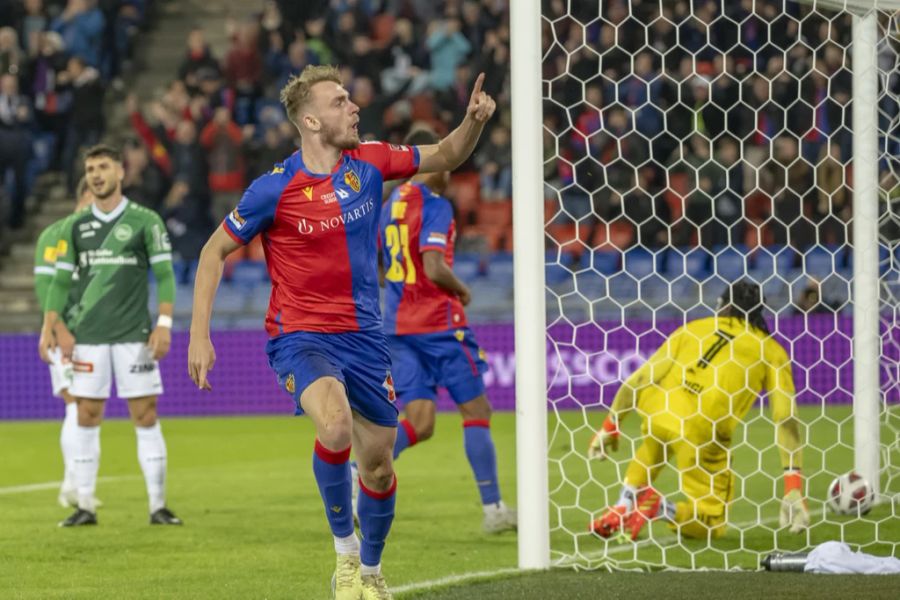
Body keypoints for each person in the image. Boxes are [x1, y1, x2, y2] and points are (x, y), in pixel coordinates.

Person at [187, 65, 495, 600]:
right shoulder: (273, 189)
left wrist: (472, 122)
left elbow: (445, 154)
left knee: (377, 466)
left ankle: (371, 570)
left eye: (351, 99)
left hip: (367, 340)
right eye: (340, 101)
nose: (354, 107)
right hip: (301, 335)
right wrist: (199, 334)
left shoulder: (370, 163)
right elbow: (213, 251)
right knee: (333, 427)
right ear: (310, 119)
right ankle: (346, 558)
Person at [588, 281, 808, 540]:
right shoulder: (772, 351)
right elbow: (785, 416)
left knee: (653, 447)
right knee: (713, 524)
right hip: (704, 430)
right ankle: (660, 508)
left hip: (660, 411)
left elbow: (639, 378)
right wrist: (793, 485)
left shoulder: (692, 328)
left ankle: (624, 503)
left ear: (722, 306)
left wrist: (610, 426)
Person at [376, 127, 516, 534]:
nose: (450, 173)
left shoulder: (389, 205)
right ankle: (494, 510)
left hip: (397, 326)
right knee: (477, 411)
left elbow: (382, 267)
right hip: (438, 324)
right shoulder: (436, 206)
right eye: (447, 163)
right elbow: (435, 265)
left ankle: (355, 471)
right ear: (432, 162)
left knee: (419, 422)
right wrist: (462, 288)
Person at [38, 144, 181, 528]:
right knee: (86, 414)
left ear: (121, 171)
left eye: (103, 167)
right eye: (90, 169)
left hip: (135, 336)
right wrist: (51, 326)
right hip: (88, 338)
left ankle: (158, 506)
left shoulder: (145, 220)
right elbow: (59, 282)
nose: (96, 174)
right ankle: (84, 504)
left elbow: (166, 276)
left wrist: (164, 325)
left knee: (145, 414)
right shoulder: (75, 226)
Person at [33, 177, 98, 509]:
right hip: (67, 333)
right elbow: (45, 288)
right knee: (76, 402)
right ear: (85, 194)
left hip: (95, 334)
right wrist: (57, 330)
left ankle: (79, 484)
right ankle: (72, 482)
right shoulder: (55, 235)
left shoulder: (97, 237)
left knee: (90, 406)